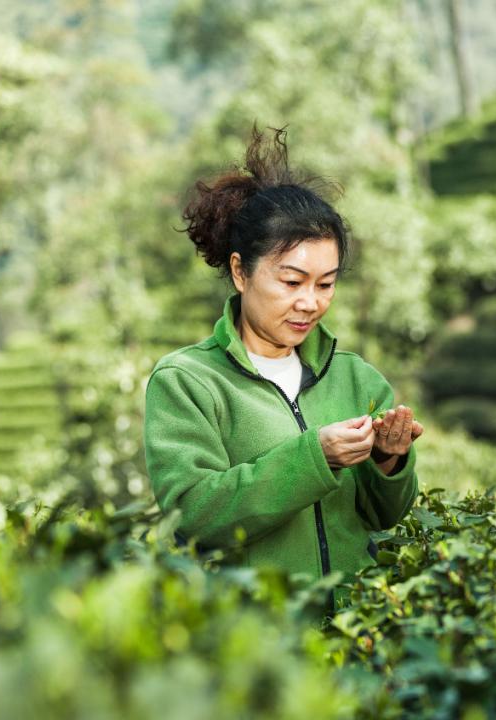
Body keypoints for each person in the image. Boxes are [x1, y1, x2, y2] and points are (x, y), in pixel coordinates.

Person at [143, 125, 423, 612]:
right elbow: (192, 516)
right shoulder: (188, 382)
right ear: (239, 271)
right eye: (292, 281)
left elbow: (384, 516)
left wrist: (390, 461)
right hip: (257, 648)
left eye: (325, 284)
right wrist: (317, 457)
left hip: (360, 636)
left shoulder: (356, 378)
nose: (309, 303)